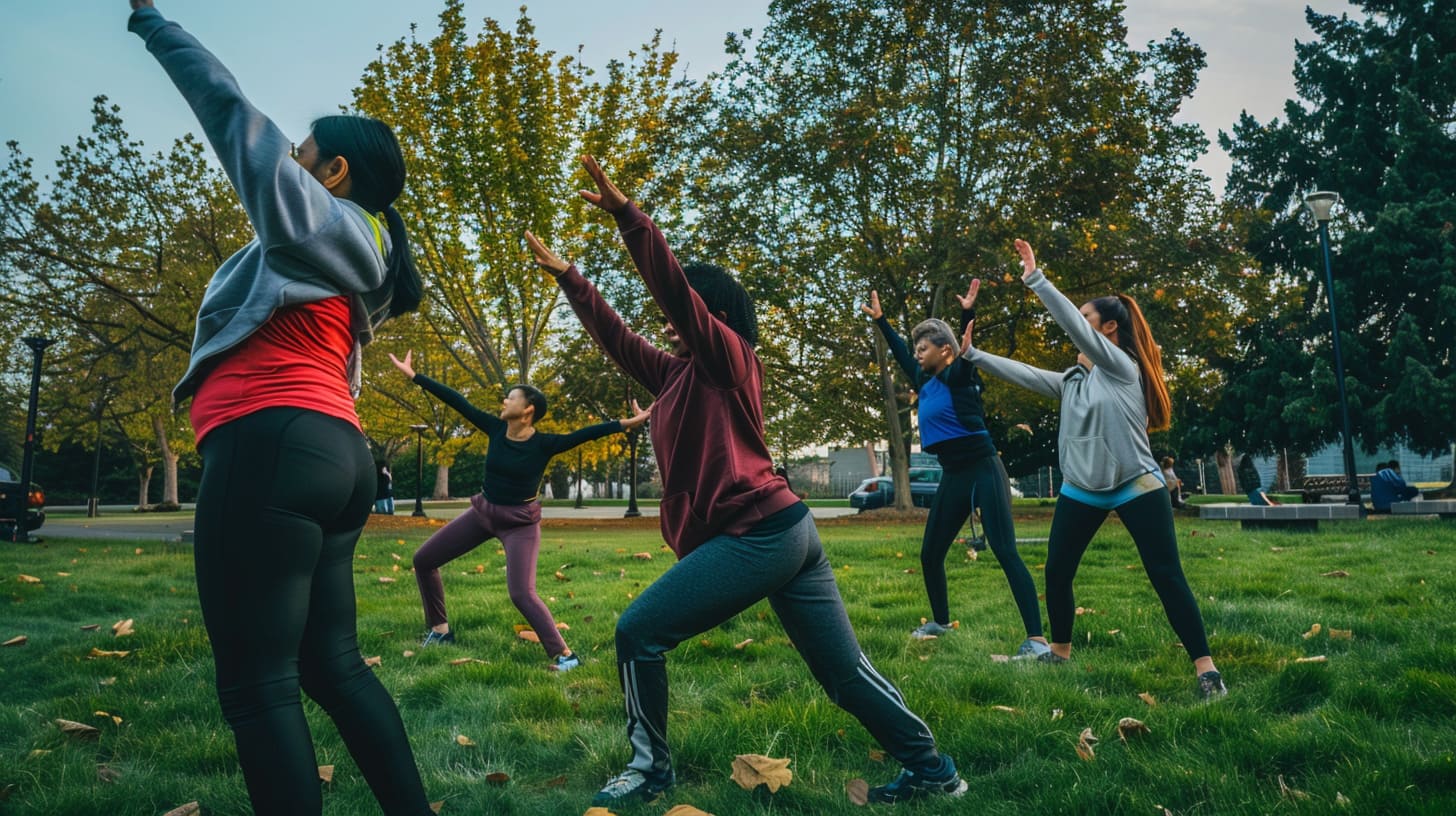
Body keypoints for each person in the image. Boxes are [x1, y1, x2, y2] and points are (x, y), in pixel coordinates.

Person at [525, 156, 967, 807]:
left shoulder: (730, 359)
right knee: (844, 675)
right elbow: (617, 338)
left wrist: (628, 219)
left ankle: (649, 770)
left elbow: (675, 292)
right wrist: (571, 278)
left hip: (759, 533)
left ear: (710, 311)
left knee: (637, 631)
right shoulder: (674, 373)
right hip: (784, 531)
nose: (668, 317)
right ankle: (934, 772)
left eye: (683, 306)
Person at [127, 2, 435, 813]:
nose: (286, 158)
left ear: (332, 172)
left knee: (258, 687)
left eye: (299, 152)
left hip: (272, 443)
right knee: (329, 664)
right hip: (333, 454)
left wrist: (152, 21)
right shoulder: (355, 248)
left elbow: (227, 109)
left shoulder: (314, 220)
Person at [961, 238, 1227, 699]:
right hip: (1082, 488)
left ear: (1108, 330)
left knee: (1165, 573)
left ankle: (1206, 670)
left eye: (1085, 320)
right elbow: (1026, 374)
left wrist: (1037, 280)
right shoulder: (1072, 381)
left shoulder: (1123, 367)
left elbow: (1076, 332)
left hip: (1135, 484)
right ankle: (1059, 655)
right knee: (1058, 571)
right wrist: (973, 356)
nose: (1077, 330)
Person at [389, 351, 649, 670]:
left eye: (510, 398)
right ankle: (440, 630)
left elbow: (588, 433)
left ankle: (566, 656)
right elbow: (456, 401)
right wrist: (415, 376)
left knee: (521, 594)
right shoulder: (495, 429)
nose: (503, 400)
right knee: (423, 559)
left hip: (519, 524)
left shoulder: (545, 444)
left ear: (527, 410)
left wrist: (629, 422)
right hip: (483, 514)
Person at [861, 287, 1046, 657]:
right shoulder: (925, 381)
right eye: (917, 350)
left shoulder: (959, 377)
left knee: (1005, 550)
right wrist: (881, 321)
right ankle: (941, 623)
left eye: (924, 348)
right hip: (953, 475)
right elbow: (900, 352)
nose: (917, 354)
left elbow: (965, 357)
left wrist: (967, 314)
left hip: (982, 469)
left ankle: (1038, 641)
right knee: (930, 553)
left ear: (945, 351)